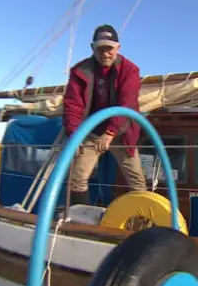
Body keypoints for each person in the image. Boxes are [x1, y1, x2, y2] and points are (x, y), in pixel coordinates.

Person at [62, 24, 147, 206]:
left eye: (109, 48)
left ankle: (140, 223)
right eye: (100, 48)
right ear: (92, 48)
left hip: (122, 133)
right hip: (91, 132)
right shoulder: (79, 71)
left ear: (118, 48)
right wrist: (75, 135)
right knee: (78, 178)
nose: (105, 53)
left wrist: (110, 133)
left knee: (137, 181)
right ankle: (79, 222)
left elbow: (128, 104)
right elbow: (73, 106)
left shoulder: (130, 70)